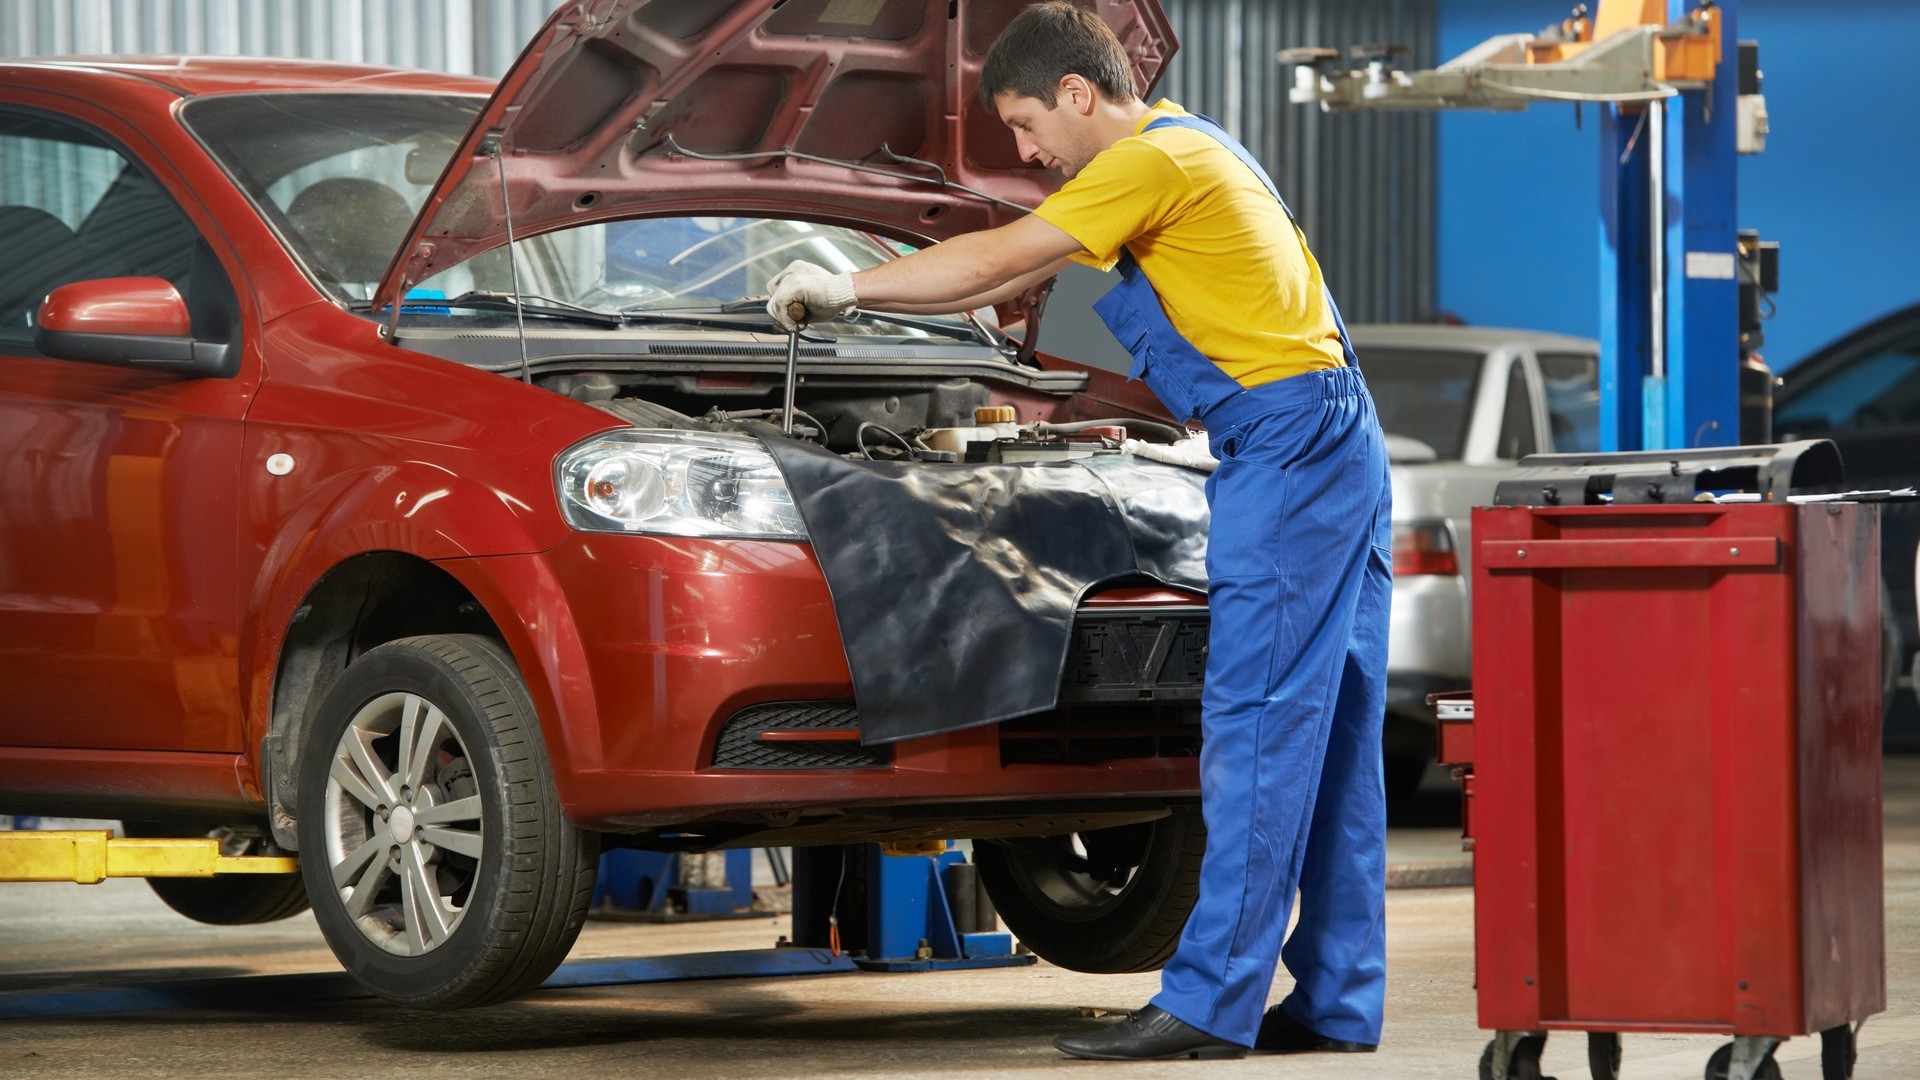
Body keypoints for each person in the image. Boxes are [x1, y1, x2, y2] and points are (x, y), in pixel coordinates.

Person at [769, 2, 1390, 1063]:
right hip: (1337, 438)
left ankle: (1206, 1005)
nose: (1026, 153)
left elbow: (992, 257)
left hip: (1287, 454)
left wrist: (845, 288)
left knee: (1255, 727)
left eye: (1024, 128)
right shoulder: (1197, 143)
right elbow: (1012, 274)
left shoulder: (1149, 163)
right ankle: (1335, 998)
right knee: (1333, 736)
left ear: (1077, 93)